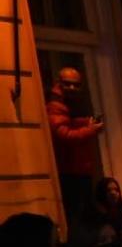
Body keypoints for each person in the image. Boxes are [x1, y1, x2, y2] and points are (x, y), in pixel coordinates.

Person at [44, 68, 104, 225]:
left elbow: (67, 126)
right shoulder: (56, 105)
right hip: (70, 172)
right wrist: (89, 129)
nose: (72, 88)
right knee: (76, 218)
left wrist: (86, 125)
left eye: (76, 85)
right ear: (58, 83)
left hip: (75, 169)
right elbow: (63, 134)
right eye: (67, 84)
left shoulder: (67, 102)